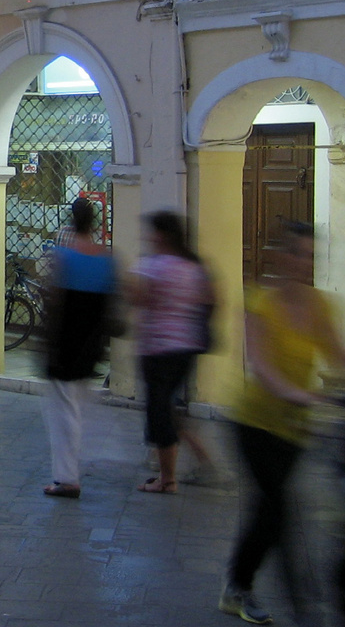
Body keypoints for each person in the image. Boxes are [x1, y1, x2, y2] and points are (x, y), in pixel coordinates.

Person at [221, 221, 345, 625]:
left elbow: (342, 360)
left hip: (293, 430)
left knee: (271, 511)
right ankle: (270, 596)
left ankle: (243, 586)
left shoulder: (321, 306)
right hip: (253, 423)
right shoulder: (259, 303)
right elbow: (263, 367)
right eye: (298, 254)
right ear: (282, 256)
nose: (304, 263)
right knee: (277, 509)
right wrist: (303, 395)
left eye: (311, 256)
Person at [127, 211, 217, 494]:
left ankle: (168, 479)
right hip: (186, 348)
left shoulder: (154, 265)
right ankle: (183, 467)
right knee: (167, 408)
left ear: (162, 234)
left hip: (158, 348)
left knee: (160, 412)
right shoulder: (194, 267)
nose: (148, 236)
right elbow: (212, 300)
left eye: (152, 231)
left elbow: (138, 299)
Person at [40, 197, 118, 500]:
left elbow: (54, 302)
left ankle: (66, 477)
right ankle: (73, 470)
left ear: (71, 221)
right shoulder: (107, 258)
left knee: (62, 413)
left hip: (66, 344)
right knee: (76, 408)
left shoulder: (64, 257)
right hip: (92, 344)